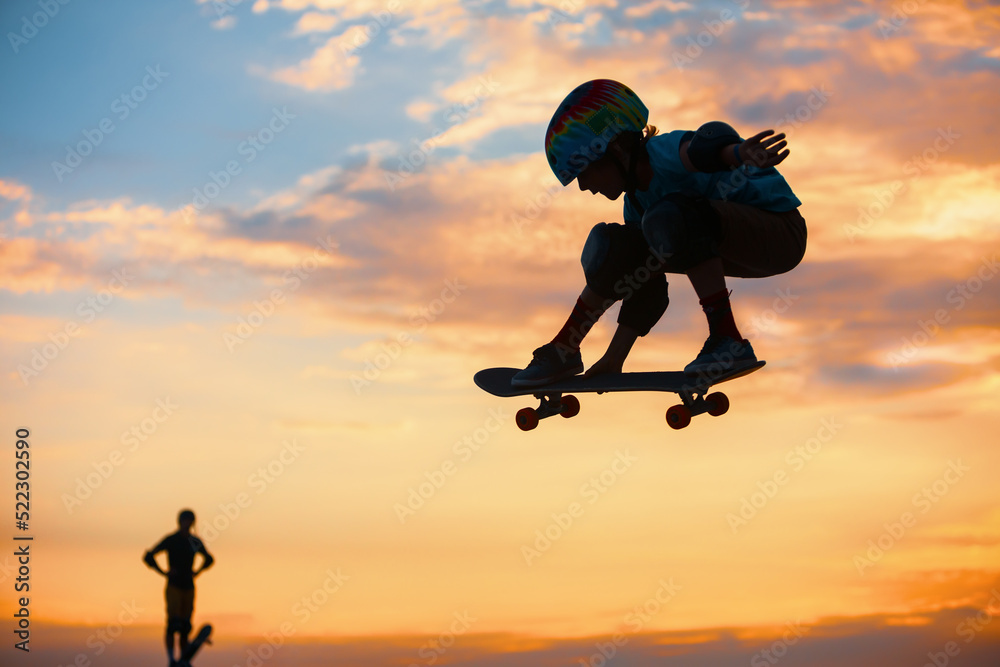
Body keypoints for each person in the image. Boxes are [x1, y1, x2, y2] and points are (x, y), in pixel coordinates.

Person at [512, 79, 806, 386]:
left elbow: (704, 148)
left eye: (585, 172)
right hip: (731, 246)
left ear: (615, 149)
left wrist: (738, 153)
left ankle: (727, 339)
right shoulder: (636, 205)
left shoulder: (662, 153)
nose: (584, 186)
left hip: (780, 233)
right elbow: (644, 287)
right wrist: (615, 358)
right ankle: (565, 349)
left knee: (671, 215)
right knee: (618, 249)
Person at [143, 509, 214, 666]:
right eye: (185, 521)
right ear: (180, 521)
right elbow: (148, 556)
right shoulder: (171, 540)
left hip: (188, 587)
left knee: (185, 625)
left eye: (190, 521)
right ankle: (171, 658)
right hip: (174, 586)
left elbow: (209, 559)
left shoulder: (194, 541)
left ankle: (183, 656)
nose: (187, 524)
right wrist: (163, 572)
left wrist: (197, 572)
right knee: (172, 624)